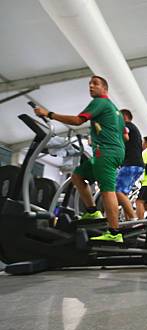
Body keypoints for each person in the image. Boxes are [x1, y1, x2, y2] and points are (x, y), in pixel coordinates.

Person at [33, 75, 125, 242]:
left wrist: (49, 114)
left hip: (106, 152)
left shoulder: (100, 102)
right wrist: (99, 134)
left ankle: (114, 233)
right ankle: (92, 211)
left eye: (95, 84)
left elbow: (77, 120)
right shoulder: (115, 109)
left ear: (104, 89)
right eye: (89, 84)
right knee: (77, 175)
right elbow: (125, 135)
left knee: (106, 190)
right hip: (110, 151)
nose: (91, 86)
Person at [115, 109, 144, 221]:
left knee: (118, 191)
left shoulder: (127, 126)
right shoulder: (134, 128)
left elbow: (124, 136)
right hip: (137, 165)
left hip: (131, 165)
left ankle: (133, 218)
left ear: (125, 116)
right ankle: (129, 221)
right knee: (124, 193)